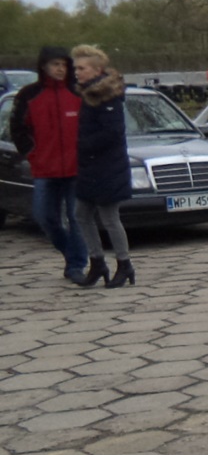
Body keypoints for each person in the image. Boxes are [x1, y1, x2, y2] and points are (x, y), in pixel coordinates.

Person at [6, 46, 88, 280]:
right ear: (44, 66)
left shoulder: (78, 93)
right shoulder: (28, 95)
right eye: (55, 64)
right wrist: (34, 154)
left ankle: (76, 266)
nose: (60, 69)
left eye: (64, 65)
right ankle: (69, 252)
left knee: (76, 218)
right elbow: (18, 130)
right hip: (44, 170)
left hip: (75, 169)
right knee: (45, 217)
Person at [70, 45, 135, 288]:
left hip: (108, 168)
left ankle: (124, 263)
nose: (76, 72)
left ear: (97, 70)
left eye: (81, 68)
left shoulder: (108, 95)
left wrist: (81, 144)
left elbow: (113, 132)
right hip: (90, 167)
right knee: (81, 214)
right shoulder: (87, 94)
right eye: (75, 68)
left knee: (109, 217)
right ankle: (97, 261)